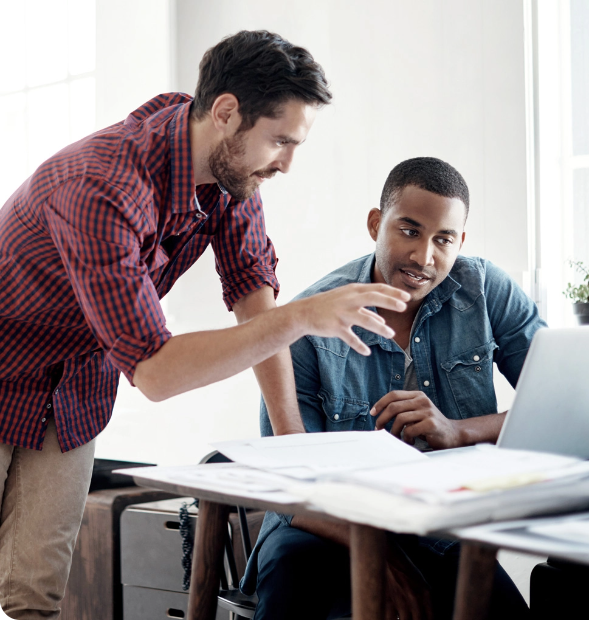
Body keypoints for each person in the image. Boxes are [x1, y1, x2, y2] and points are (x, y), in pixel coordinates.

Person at [0, 31, 409, 619]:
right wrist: (300, 318)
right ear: (225, 113)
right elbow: (157, 372)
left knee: (30, 600)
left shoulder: (232, 171)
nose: (287, 164)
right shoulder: (99, 188)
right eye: (280, 141)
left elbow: (252, 296)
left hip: (73, 394)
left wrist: (291, 446)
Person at [241, 157, 547, 620]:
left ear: (459, 242)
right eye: (409, 231)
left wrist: (459, 431)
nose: (425, 257)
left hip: (435, 526)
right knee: (298, 581)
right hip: (322, 528)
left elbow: (554, 407)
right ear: (375, 224)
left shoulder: (484, 290)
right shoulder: (307, 321)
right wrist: (384, 560)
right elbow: (290, 487)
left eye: (443, 239)